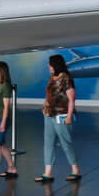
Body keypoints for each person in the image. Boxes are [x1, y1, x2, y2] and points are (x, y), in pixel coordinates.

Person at [35, 54, 80, 183]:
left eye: (50, 64)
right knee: (48, 143)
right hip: (49, 114)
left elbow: (72, 99)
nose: (48, 67)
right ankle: (47, 173)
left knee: (66, 143)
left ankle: (76, 170)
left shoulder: (66, 78)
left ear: (55, 65)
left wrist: (70, 116)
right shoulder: (52, 78)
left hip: (62, 115)